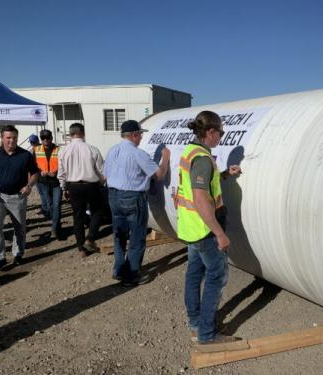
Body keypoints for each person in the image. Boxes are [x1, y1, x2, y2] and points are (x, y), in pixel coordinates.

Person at [176, 111, 242, 345]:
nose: (222, 137)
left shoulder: (191, 151)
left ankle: (196, 322)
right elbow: (201, 199)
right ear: (210, 132)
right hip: (204, 229)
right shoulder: (203, 158)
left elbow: (199, 183)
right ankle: (207, 334)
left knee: (194, 274)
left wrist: (224, 173)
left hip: (190, 227)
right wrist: (220, 233)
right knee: (217, 276)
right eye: (221, 132)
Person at [103, 120, 170, 286]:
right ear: (134, 135)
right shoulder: (137, 153)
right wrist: (166, 158)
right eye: (140, 134)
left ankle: (118, 271)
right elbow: (159, 175)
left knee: (119, 235)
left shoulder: (112, 150)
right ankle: (131, 275)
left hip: (113, 196)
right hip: (132, 197)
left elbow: (105, 175)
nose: (141, 137)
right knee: (137, 237)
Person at [0, 125, 39, 268]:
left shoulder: (25, 155)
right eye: (8, 138)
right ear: (2, 138)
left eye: (14, 138)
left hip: (17, 196)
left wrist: (29, 186)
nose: (11, 141)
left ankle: (18, 254)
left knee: (20, 227)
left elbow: (35, 173)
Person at [57, 123, 104, 257]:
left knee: (78, 216)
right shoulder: (92, 149)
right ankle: (91, 238)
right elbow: (101, 170)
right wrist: (102, 182)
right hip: (91, 185)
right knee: (98, 211)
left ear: (70, 134)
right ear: (83, 133)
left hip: (73, 185)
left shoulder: (63, 151)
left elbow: (61, 173)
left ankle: (80, 247)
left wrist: (64, 187)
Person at [33, 129, 62, 239]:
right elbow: (32, 166)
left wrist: (56, 172)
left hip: (56, 182)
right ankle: (57, 224)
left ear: (51, 138)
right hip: (43, 182)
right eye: (43, 138)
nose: (46, 140)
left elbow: (63, 164)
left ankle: (54, 229)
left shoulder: (58, 150)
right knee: (49, 206)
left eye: (47, 138)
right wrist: (40, 173)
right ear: (41, 139)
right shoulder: (36, 150)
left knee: (57, 205)